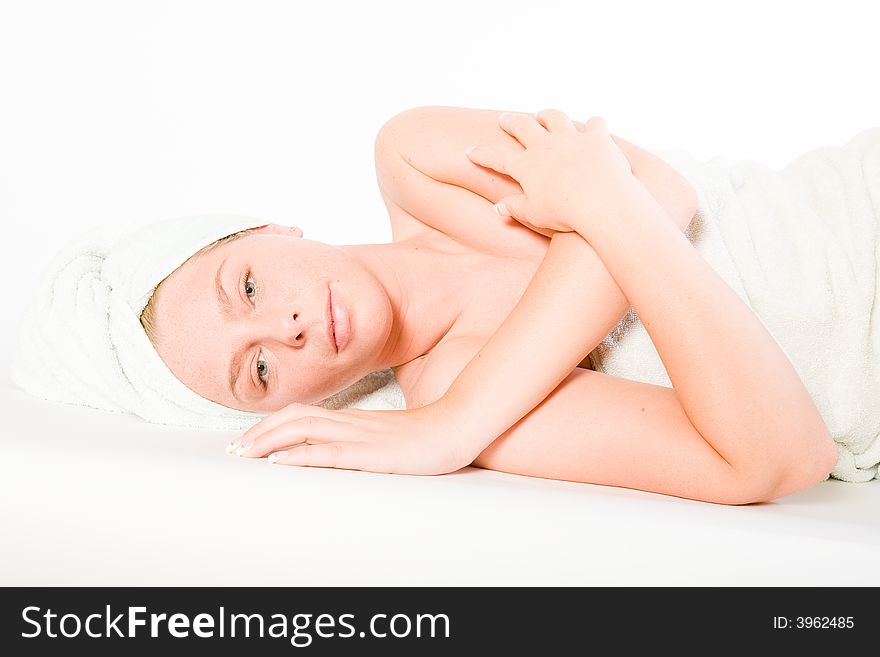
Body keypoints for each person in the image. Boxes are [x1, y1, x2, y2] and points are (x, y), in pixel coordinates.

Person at [137, 106, 842, 506]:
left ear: (271, 230)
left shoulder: (412, 162)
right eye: (257, 369)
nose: (284, 328)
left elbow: (660, 190)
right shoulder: (456, 390)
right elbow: (778, 457)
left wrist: (456, 426)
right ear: (288, 408)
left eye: (250, 286)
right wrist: (594, 207)